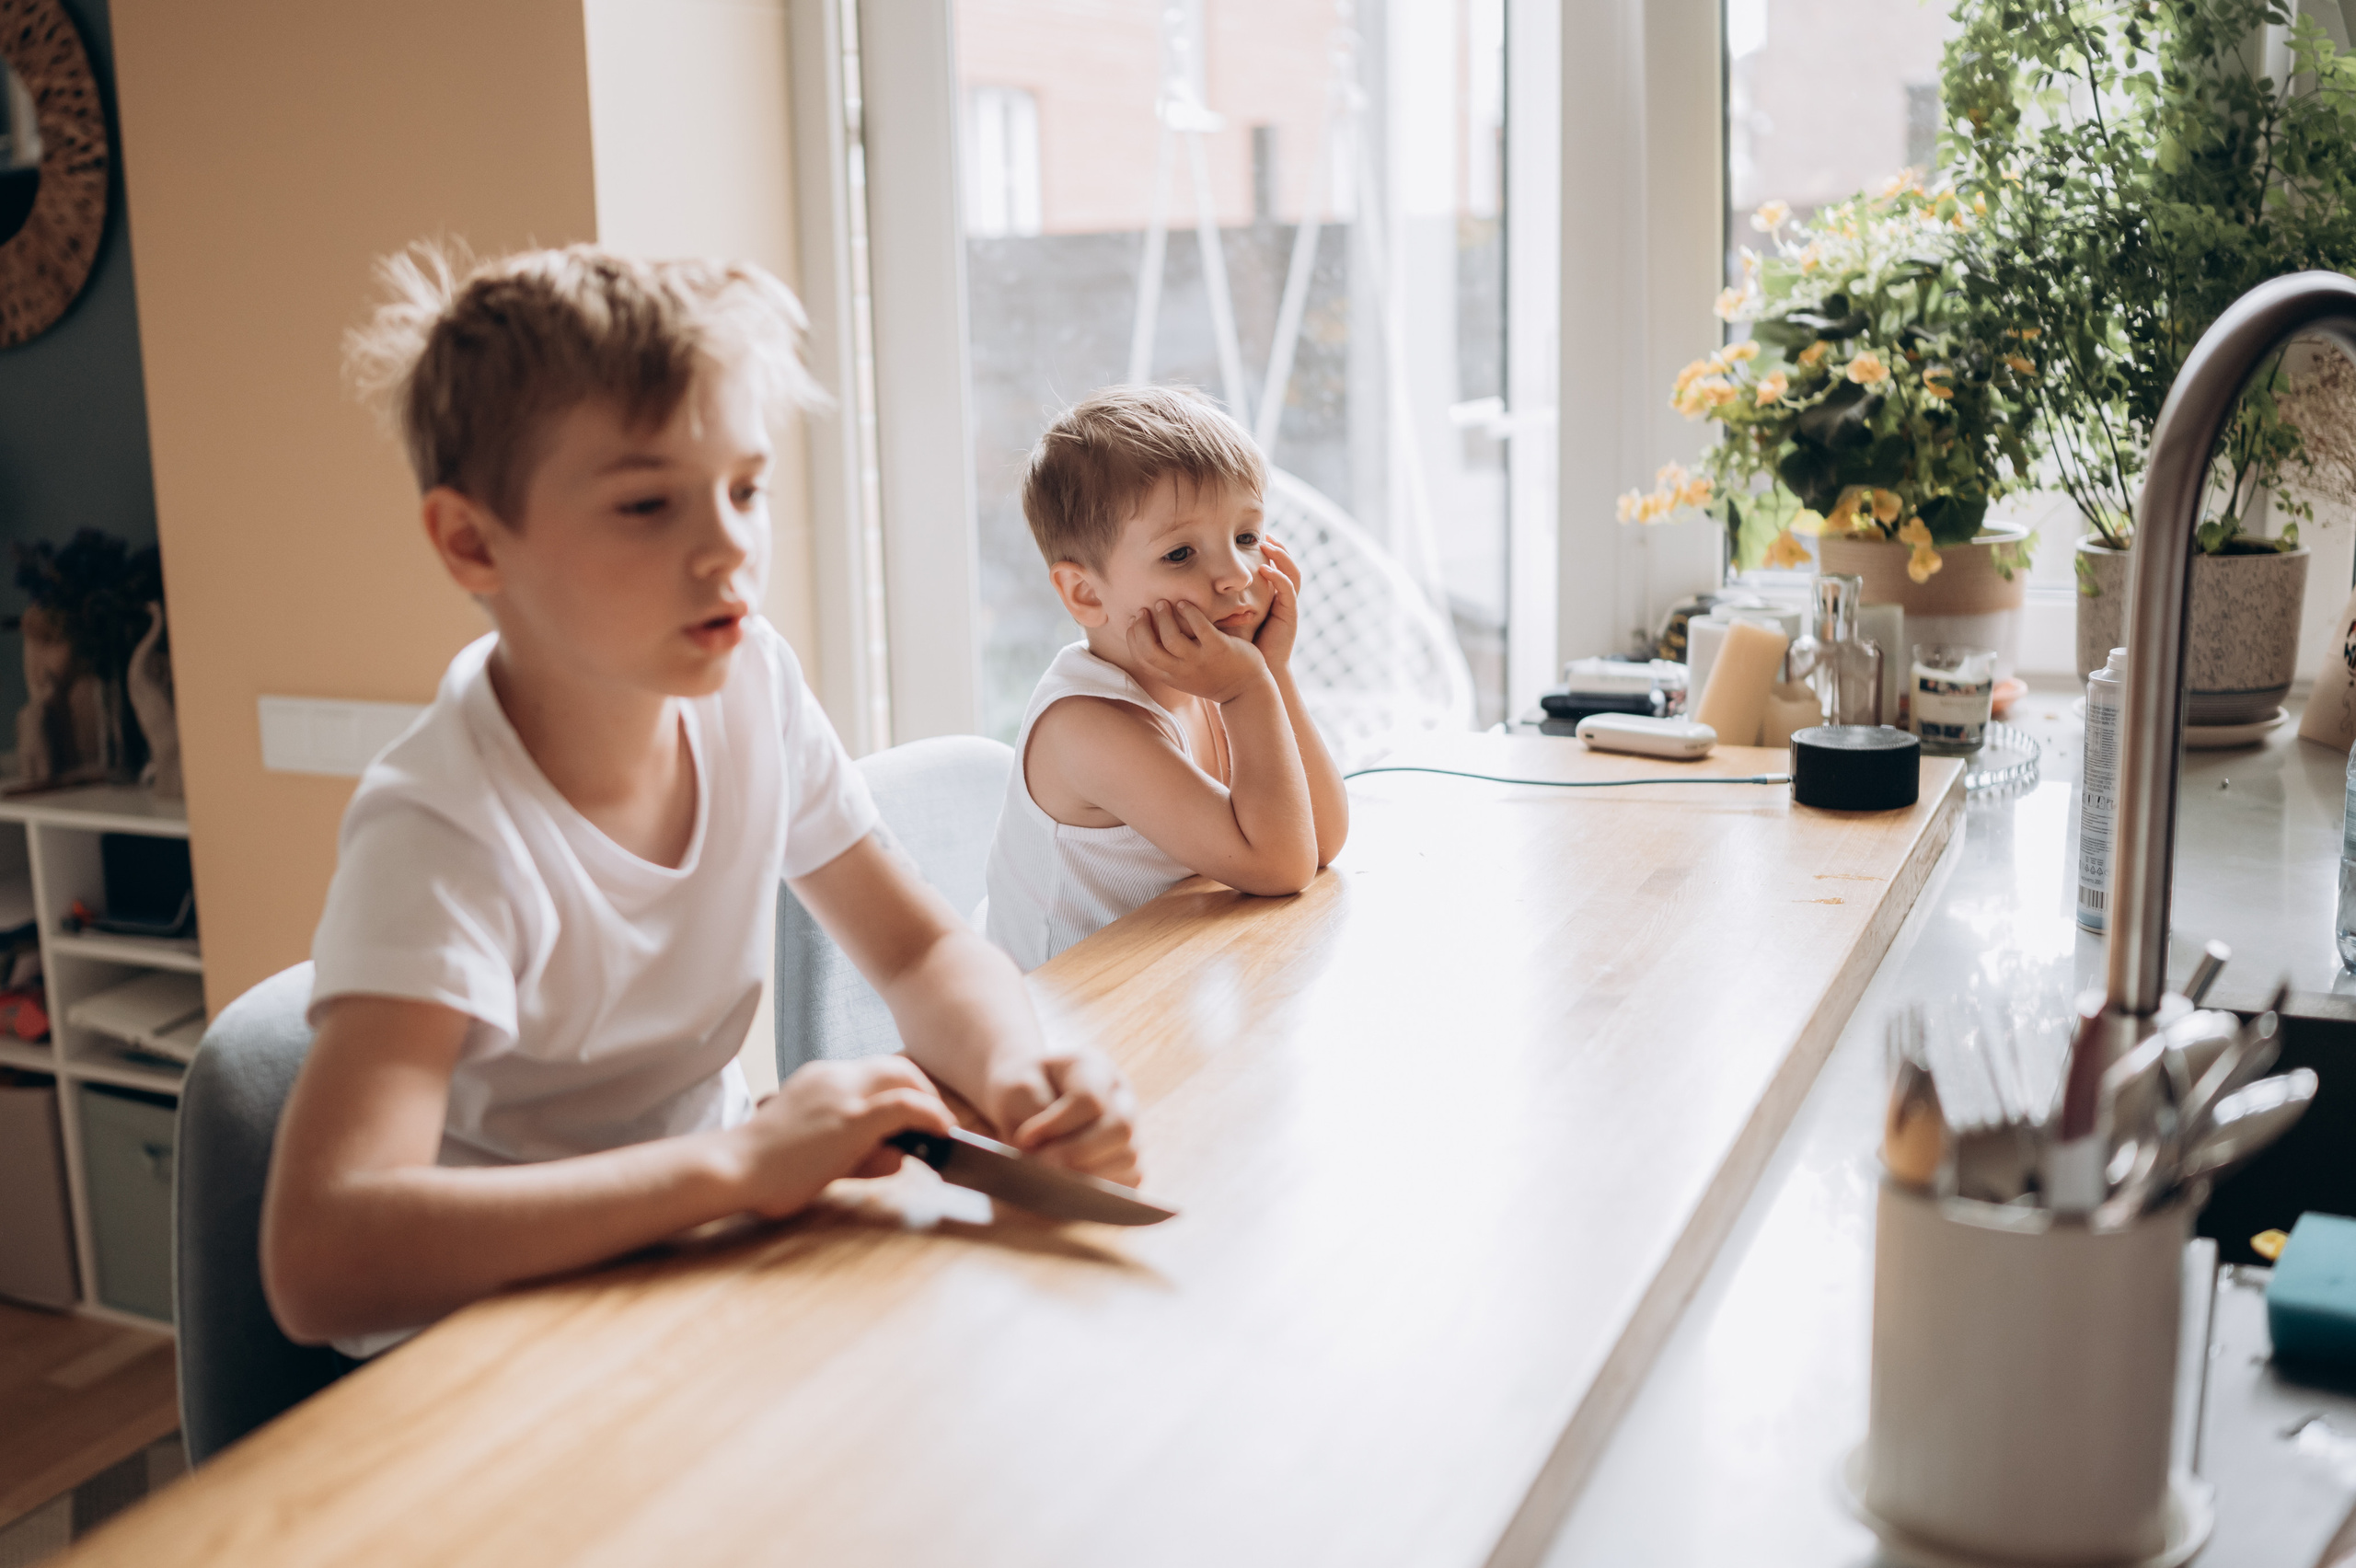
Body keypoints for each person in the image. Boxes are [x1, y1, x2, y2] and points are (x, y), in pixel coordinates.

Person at [262, 246, 1139, 1356]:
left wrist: (1017, 1075)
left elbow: (916, 953)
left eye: (746, 488)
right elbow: (326, 1259)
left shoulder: (749, 684)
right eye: (645, 504)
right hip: (502, 1346)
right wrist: (738, 1164)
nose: (729, 543)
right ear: (471, 541)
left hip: (702, 1262)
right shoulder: (442, 832)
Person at [984, 386, 1348, 972]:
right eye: (1181, 554)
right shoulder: (1088, 726)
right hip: (1062, 1027)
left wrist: (1272, 672)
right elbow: (1281, 868)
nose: (1234, 573)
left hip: (1159, 987)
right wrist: (1248, 688)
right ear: (1085, 593)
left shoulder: (1210, 682)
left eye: (1247, 537)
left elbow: (1322, 838)